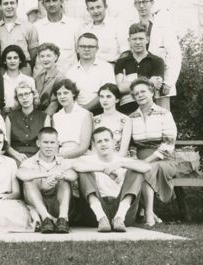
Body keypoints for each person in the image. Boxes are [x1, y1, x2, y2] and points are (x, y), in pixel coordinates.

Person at [73, 127, 151, 232]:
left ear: (113, 142)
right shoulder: (87, 160)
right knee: (84, 172)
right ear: (94, 146)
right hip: (95, 213)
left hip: (123, 211)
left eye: (106, 140)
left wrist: (122, 164)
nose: (103, 144)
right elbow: (76, 166)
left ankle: (119, 217)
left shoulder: (122, 160)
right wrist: (105, 169)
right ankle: (101, 218)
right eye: (99, 141)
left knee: (136, 170)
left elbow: (147, 167)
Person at [129, 76, 179, 227]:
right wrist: (133, 158)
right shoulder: (131, 117)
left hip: (164, 160)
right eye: (136, 93)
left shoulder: (164, 114)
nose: (140, 95)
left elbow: (168, 144)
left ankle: (148, 213)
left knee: (145, 169)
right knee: (136, 170)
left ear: (152, 92)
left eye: (143, 91)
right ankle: (149, 212)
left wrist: (145, 161)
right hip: (140, 158)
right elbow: (131, 144)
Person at [17, 127, 77, 234]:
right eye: (45, 142)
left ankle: (63, 220)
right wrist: (49, 174)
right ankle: (46, 219)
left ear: (58, 143)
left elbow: (73, 175)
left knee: (65, 180)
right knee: (29, 181)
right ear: (38, 143)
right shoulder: (29, 162)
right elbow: (21, 174)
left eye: (52, 142)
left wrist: (60, 175)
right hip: (38, 206)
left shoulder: (63, 161)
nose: (49, 146)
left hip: (57, 206)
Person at [132, 0, 180, 109]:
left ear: (152, 3)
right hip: (140, 79)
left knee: (162, 115)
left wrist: (168, 82)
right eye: (138, 2)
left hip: (160, 81)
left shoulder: (163, 24)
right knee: (140, 115)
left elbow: (174, 55)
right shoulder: (132, 25)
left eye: (145, 2)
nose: (141, 6)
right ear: (134, 4)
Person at [114, 25, 166, 114]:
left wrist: (128, 85)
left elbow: (156, 85)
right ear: (129, 41)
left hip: (150, 110)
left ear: (147, 40)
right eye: (134, 39)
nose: (137, 42)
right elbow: (121, 88)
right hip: (125, 110)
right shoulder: (121, 62)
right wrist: (149, 81)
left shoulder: (157, 61)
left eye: (141, 39)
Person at [66, 32, 116, 112]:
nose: (86, 49)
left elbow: (108, 93)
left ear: (97, 49)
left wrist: (83, 110)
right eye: (83, 46)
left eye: (91, 46)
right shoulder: (70, 72)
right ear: (77, 49)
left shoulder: (106, 68)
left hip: (101, 111)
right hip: (76, 113)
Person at [34, 0, 80, 72]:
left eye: (54, 0)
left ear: (61, 1)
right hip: (44, 78)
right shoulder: (36, 27)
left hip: (68, 77)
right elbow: (33, 55)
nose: (51, 4)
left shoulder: (74, 25)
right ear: (43, 4)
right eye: (48, 1)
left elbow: (79, 52)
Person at [48, 79, 93, 159]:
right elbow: (55, 144)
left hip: (80, 155)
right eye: (59, 94)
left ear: (73, 94)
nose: (62, 96)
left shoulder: (84, 114)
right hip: (59, 156)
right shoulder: (56, 116)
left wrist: (62, 156)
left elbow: (84, 147)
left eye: (65, 93)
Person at [80, 0, 126, 65]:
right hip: (91, 69)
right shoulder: (86, 30)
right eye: (92, 8)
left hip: (113, 68)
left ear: (105, 7)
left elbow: (125, 52)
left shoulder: (117, 25)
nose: (95, 11)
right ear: (87, 10)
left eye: (98, 7)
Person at [5, 82, 45, 164]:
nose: (24, 98)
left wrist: (36, 158)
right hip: (16, 156)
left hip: (38, 156)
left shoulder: (44, 117)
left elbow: (47, 142)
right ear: (17, 99)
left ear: (33, 95)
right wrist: (16, 155)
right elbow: (6, 144)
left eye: (27, 94)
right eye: (20, 95)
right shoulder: (10, 117)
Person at [0, 0, 39, 64]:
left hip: (23, 67)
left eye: (12, 3)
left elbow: (33, 52)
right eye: (5, 4)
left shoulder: (28, 26)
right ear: (0, 6)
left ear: (17, 4)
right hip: (2, 68)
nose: (9, 6)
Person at [92, 82, 132, 155]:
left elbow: (123, 152)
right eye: (102, 96)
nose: (104, 100)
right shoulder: (94, 120)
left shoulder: (125, 120)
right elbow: (94, 148)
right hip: (98, 160)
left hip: (119, 160)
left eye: (108, 96)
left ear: (117, 100)